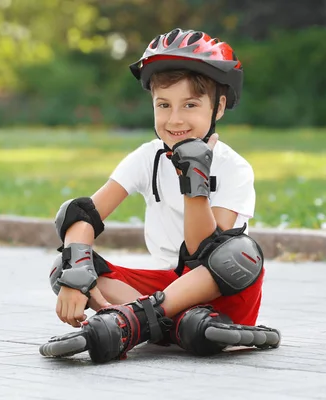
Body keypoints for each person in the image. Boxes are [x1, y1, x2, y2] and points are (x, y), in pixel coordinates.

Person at [40, 28, 280, 363]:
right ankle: (179, 328)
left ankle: (131, 323)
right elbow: (82, 215)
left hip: (221, 294)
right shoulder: (146, 157)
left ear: (219, 107)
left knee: (240, 253)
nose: (175, 119)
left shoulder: (234, 168)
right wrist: (76, 273)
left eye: (191, 105)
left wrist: (193, 174)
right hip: (165, 290)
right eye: (163, 105)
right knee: (65, 263)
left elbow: (205, 253)